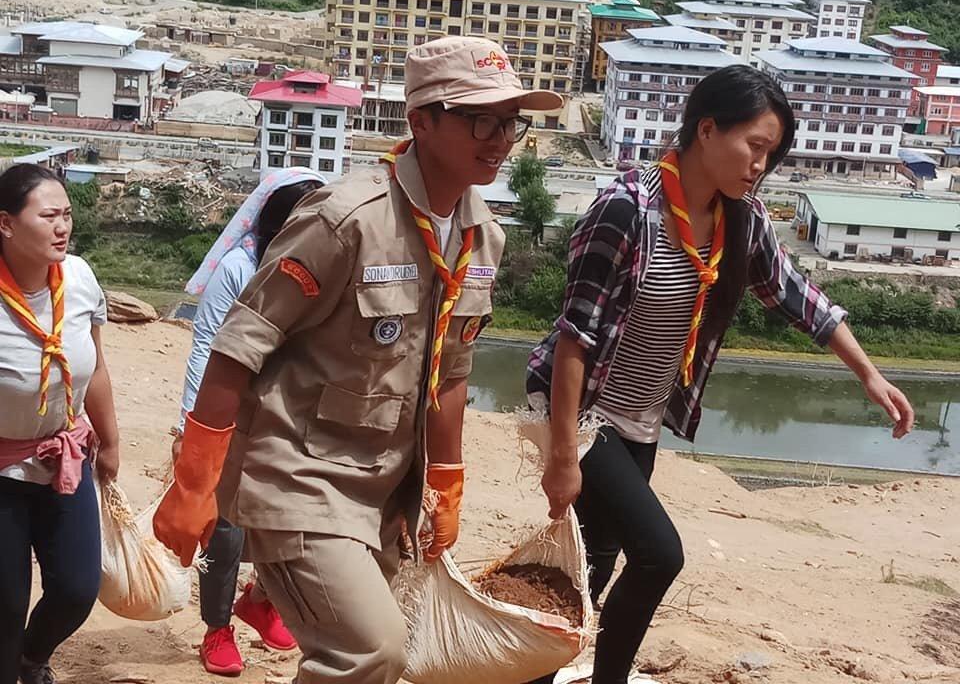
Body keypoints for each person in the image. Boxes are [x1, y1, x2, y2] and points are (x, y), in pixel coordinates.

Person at [154, 36, 562, 684]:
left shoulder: (485, 236)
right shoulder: (346, 217)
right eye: (480, 118)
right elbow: (238, 345)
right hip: (300, 474)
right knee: (370, 651)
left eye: (511, 120)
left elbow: (451, 372)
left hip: (385, 491)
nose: (500, 137)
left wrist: (446, 485)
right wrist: (194, 482)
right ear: (422, 120)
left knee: (360, 655)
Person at [525, 65, 916, 684]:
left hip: (644, 418)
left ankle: (537, 673)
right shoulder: (626, 210)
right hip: (584, 407)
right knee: (658, 555)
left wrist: (869, 374)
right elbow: (576, 337)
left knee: (593, 564)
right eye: (754, 146)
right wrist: (564, 453)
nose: (761, 164)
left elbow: (795, 295)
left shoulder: (742, 220)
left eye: (771, 153)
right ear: (706, 129)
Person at [175, 168, 325, 675]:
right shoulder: (240, 268)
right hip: (229, 416)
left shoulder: (319, 266)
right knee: (227, 531)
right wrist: (190, 431)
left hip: (287, 417)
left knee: (292, 521)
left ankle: (261, 601)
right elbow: (206, 344)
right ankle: (217, 629)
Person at [0, 164, 122, 684]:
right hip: (2, 473)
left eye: (67, 215)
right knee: (3, 605)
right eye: (48, 215)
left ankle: (33, 655)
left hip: (65, 458)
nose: (62, 227)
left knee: (76, 588)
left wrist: (110, 441)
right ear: (6, 224)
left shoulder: (78, 276)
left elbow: (93, 365)